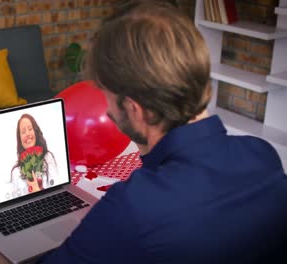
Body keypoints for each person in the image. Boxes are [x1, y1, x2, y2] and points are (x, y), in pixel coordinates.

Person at [41, 1, 287, 263]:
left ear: (135, 109)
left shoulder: (133, 207)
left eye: (106, 96)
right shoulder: (263, 156)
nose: (107, 111)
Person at [10, 113, 58, 198]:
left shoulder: (48, 158)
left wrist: (36, 189)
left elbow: (57, 192)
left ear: (35, 132)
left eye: (30, 129)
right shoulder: (16, 172)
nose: (27, 133)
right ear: (20, 139)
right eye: (23, 132)